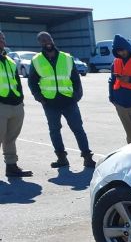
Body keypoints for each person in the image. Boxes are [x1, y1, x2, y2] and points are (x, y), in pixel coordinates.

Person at [27, 31, 95, 169]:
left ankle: (87, 157)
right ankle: (61, 158)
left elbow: (76, 79)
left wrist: (77, 95)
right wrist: (39, 97)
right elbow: (32, 82)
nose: (47, 42)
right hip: (50, 102)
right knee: (54, 130)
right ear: (39, 43)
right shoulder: (36, 60)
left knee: (78, 129)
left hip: (69, 101)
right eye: (43, 40)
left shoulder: (66, 58)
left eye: (48, 39)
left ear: (53, 39)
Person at [0, 30, 31, 178]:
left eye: (3, 38)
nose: (2, 41)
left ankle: (11, 166)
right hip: (1, 105)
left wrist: (21, 100)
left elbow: (17, 83)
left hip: (15, 105)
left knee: (11, 138)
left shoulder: (10, 61)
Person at [109, 35, 131, 143]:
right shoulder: (116, 62)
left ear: (127, 48)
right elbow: (112, 80)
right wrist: (111, 97)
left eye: (122, 50)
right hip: (120, 103)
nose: (121, 53)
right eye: (118, 51)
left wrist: (130, 79)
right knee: (130, 134)